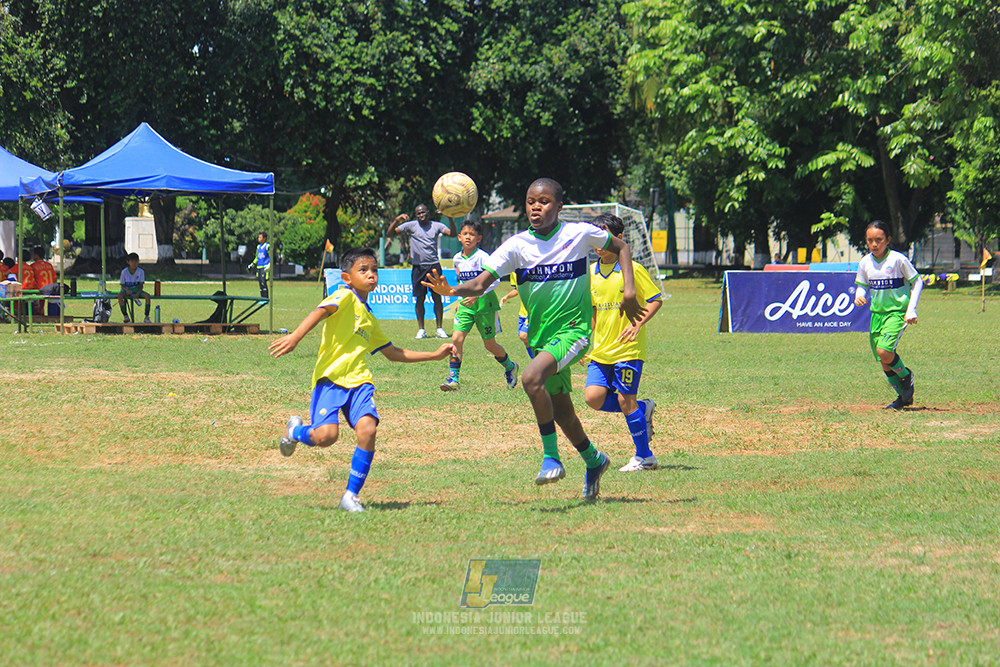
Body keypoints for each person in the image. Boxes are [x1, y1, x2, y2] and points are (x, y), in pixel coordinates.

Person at [423, 178, 645, 500]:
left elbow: (621, 247)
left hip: (575, 331)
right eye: (530, 202)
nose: (535, 207)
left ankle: (551, 457)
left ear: (559, 207)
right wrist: (452, 290)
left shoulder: (579, 234)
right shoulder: (516, 246)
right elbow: (482, 282)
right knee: (563, 411)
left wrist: (629, 290)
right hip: (541, 338)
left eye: (543, 202)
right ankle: (594, 460)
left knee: (530, 377)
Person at [269, 247, 454, 512]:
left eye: (374, 270)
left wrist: (435, 355)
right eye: (363, 270)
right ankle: (295, 432)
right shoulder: (343, 296)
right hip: (331, 380)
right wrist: (295, 337)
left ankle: (350, 496)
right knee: (326, 437)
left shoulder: (368, 318)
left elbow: (394, 353)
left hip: (360, 384)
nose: (371, 275)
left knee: (368, 431)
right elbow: (319, 312)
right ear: (346, 277)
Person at [583, 214, 664, 472]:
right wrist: (586, 342)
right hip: (600, 350)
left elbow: (655, 299)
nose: (598, 240)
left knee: (624, 400)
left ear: (618, 239)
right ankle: (642, 409)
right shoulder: (591, 273)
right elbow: (594, 313)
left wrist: (637, 323)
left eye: (604, 233)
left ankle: (645, 456)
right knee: (593, 398)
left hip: (628, 348)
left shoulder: (632, 269)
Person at [439, 219, 519, 391]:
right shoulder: (457, 259)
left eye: (472, 234)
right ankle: (454, 380)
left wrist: (478, 294)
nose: (468, 237)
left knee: (490, 345)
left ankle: (510, 366)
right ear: (459, 237)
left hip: (485, 305)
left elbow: (496, 280)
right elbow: (461, 281)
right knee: (456, 339)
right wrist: (460, 300)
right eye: (465, 234)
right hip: (466, 306)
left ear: (479, 238)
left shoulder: (483, 257)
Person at [853, 220, 923, 410]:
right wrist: (859, 295)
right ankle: (903, 398)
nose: (874, 244)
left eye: (879, 240)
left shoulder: (898, 260)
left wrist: (911, 309)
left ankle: (906, 376)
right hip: (877, 315)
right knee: (884, 362)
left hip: (896, 313)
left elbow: (918, 281)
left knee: (884, 352)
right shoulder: (865, 262)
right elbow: (861, 285)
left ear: (888, 239)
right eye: (870, 240)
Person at [386, 204, 456, 339]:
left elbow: (452, 234)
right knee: (420, 298)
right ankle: (421, 329)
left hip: (434, 266)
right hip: (418, 267)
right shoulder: (411, 225)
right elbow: (390, 234)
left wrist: (450, 218)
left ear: (428, 213)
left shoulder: (436, 226)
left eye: (423, 212)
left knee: (437, 297)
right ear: (416, 215)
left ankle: (439, 329)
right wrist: (396, 220)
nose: (421, 215)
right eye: (418, 213)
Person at [500, 273, 533, 359]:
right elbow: (517, 289)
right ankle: (539, 364)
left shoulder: (530, 269)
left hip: (533, 311)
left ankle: (542, 364)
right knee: (526, 341)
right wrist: (506, 297)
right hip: (522, 312)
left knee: (524, 336)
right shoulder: (514, 273)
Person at [118, 252, 152, 323]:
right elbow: (122, 286)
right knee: (120, 296)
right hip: (127, 290)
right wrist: (126, 290)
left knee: (147, 296)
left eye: (136, 261)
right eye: (132, 261)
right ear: (128, 262)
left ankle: (146, 316)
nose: (134, 263)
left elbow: (141, 285)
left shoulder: (140, 271)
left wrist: (138, 293)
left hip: (136, 289)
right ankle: (125, 315)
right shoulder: (124, 272)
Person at [247, 232, 271, 298]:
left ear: (264, 238)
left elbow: (271, 256)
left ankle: (266, 298)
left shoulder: (267, 246)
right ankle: (262, 298)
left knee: (263, 283)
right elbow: (257, 257)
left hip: (264, 267)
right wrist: (252, 264)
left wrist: (269, 264)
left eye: (260, 237)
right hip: (259, 267)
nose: (259, 239)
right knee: (260, 283)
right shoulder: (258, 247)